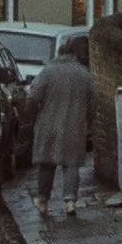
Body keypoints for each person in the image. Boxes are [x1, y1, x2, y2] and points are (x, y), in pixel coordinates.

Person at [30, 34, 94, 220]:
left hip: (49, 124)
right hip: (74, 126)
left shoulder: (49, 71)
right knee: (71, 164)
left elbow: (33, 95)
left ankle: (43, 201)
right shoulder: (85, 75)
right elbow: (93, 104)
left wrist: (37, 112)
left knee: (47, 164)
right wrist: (87, 123)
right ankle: (70, 202)